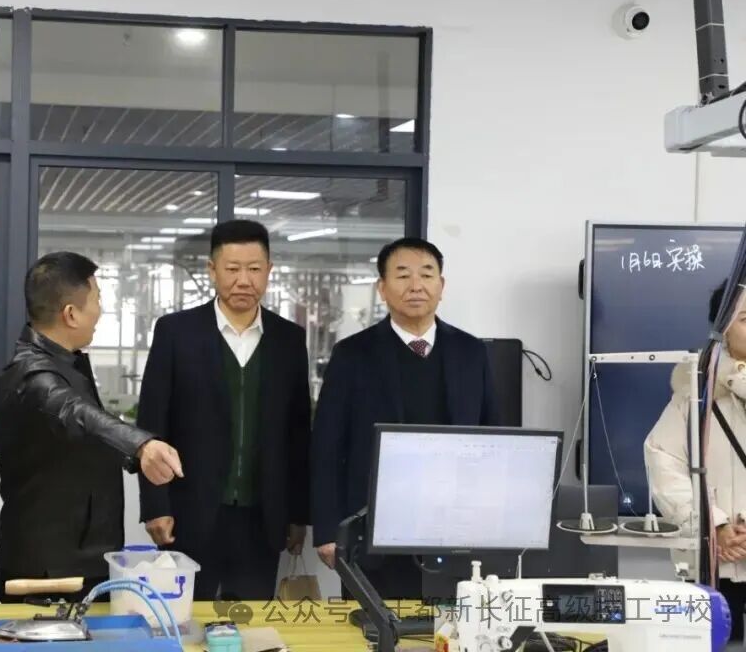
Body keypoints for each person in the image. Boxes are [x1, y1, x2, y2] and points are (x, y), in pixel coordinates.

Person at [310, 237, 498, 599]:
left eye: (426, 274)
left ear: (441, 286)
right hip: (373, 530)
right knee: (372, 625)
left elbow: (492, 437)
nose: (416, 285)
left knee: (452, 624)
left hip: (454, 528)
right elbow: (327, 448)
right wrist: (328, 531)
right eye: (402, 275)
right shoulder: (352, 354)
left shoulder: (471, 352)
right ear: (382, 288)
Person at [137, 220, 312, 602]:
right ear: (212, 270)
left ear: (269, 270)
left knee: (252, 621)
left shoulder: (289, 339)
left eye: (254, 269)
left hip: (263, 516)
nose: (243, 280)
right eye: (232, 269)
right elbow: (151, 425)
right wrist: (155, 505)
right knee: (184, 617)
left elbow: (298, 432)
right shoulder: (176, 333)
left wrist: (299, 514)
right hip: (190, 511)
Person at [0, 252, 183, 603]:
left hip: (82, 555)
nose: (100, 310)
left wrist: (134, 456)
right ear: (71, 313)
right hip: (47, 569)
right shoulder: (33, 374)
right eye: (97, 299)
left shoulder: (68, 363)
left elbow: (86, 436)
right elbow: (75, 412)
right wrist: (141, 445)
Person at [646, 278, 746, 641]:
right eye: (745, 319)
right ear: (722, 329)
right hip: (713, 565)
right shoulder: (695, 393)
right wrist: (714, 524)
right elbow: (664, 462)